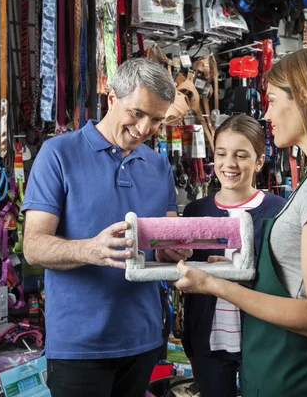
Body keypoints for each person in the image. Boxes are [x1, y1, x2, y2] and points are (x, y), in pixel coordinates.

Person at [174, 46, 307, 397]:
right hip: (281, 372)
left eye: (272, 100)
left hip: (298, 378)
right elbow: (294, 278)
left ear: (305, 99)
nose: (267, 114)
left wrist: (216, 286)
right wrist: (233, 269)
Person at [22, 58, 192, 397]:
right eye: (137, 113)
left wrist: (171, 251)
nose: (145, 128)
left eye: (157, 119)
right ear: (112, 97)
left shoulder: (159, 166)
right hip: (79, 346)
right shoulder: (57, 154)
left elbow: (164, 243)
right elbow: (33, 247)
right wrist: (90, 249)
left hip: (143, 339)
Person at [180, 115, 285, 397]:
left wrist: (237, 274)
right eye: (222, 154)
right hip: (208, 341)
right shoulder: (195, 212)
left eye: (241, 155)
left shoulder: (280, 211)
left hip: (262, 340)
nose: (230, 164)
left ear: (259, 162)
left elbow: (286, 280)